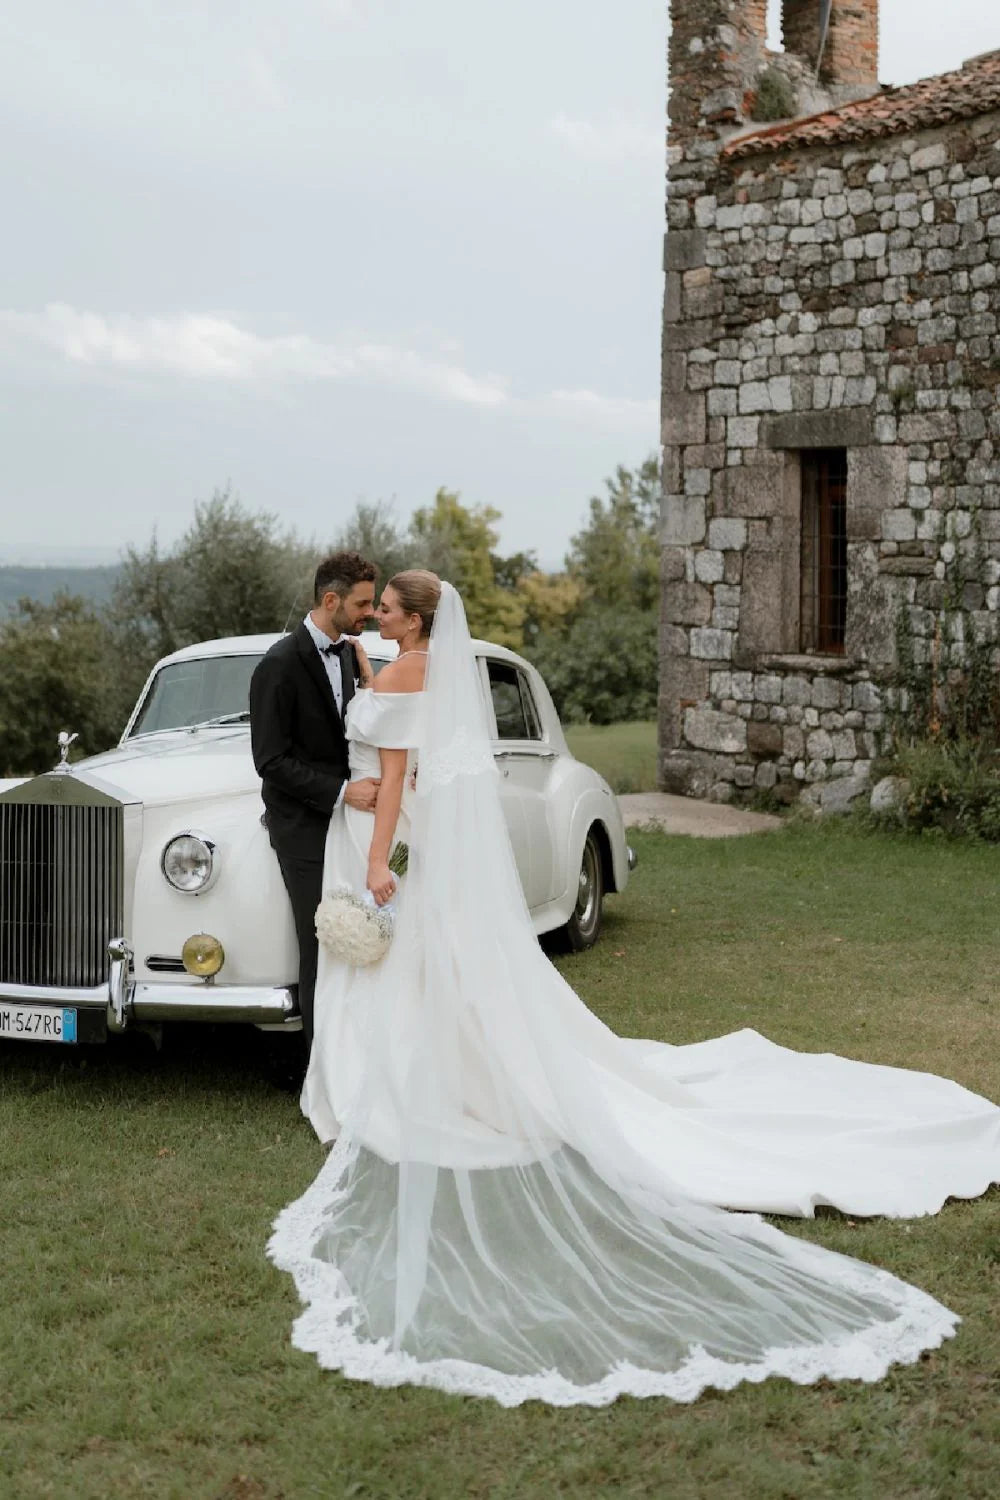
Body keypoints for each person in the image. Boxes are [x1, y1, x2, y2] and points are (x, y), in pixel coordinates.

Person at [268, 573, 994, 1407]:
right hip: (433, 847)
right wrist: (366, 664)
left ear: (415, 618)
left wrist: (372, 862)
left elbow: (394, 778)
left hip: (383, 836)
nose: (374, 616)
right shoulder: (440, 670)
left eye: (386, 609)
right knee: (447, 975)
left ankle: (400, 1083)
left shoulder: (398, 675)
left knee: (413, 971)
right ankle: (457, 1069)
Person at [249, 551, 381, 1058]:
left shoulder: (348, 653)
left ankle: (355, 1052)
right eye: (363, 603)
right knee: (320, 943)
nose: (369, 612)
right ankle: (319, 1068)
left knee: (357, 934)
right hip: (301, 826)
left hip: (349, 823)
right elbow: (271, 760)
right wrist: (343, 792)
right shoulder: (277, 665)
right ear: (332, 600)